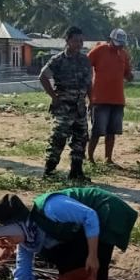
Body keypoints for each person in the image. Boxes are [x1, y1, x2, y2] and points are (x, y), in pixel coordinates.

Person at [0, 188, 139, 280]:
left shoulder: (50, 208)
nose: (5, 240)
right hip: (78, 226)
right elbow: (21, 276)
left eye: (5, 234)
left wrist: (92, 255)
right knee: (64, 261)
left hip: (104, 211)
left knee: (94, 264)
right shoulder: (27, 240)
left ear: (17, 223)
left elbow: (90, 216)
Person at [39, 26, 93, 181]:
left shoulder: (85, 61)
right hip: (64, 107)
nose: (79, 44)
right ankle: (49, 171)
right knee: (58, 139)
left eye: (81, 41)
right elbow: (43, 77)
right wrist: (54, 97)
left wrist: (92, 101)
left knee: (80, 140)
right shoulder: (58, 60)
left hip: (80, 108)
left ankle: (76, 172)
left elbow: (89, 83)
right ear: (68, 41)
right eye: (76, 40)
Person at [87, 28, 134, 166]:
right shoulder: (99, 50)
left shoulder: (124, 54)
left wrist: (130, 76)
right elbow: (85, 65)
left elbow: (127, 73)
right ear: (111, 40)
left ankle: (108, 158)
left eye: (122, 43)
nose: (120, 45)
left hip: (117, 99)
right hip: (100, 98)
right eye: (117, 42)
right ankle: (90, 157)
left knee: (112, 131)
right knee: (97, 130)